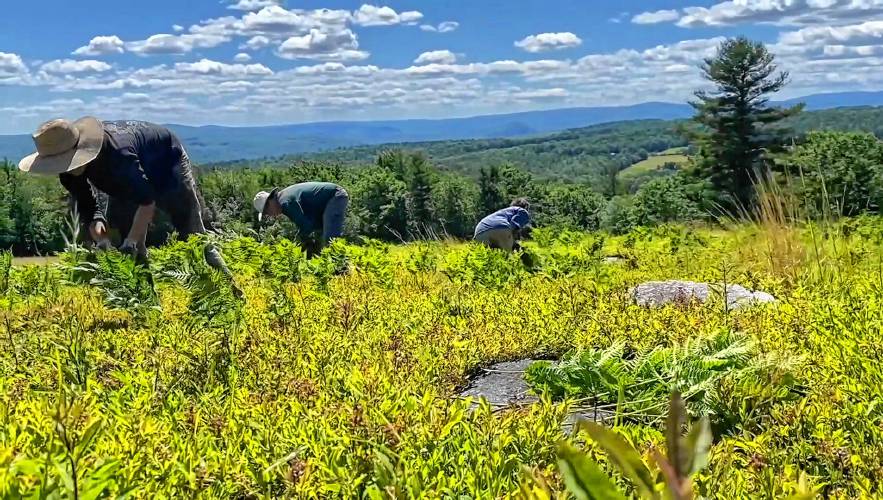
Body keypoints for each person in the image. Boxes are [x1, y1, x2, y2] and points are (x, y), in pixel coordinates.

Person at [18, 117, 234, 278]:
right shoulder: (68, 174)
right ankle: (143, 299)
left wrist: (132, 241)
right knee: (123, 233)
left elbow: (147, 201)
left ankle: (226, 287)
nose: (65, 168)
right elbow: (90, 206)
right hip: (126, 183)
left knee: (192, 232)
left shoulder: (118, 155)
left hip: (167, 162)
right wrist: (101, 237)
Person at [253, 182, 349, 254]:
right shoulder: (282, 201)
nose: (269, 216)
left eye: (267, 212)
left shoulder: (286, 203)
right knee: (320, 238)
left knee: (330, 239)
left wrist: (297, 242)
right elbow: (308, 225)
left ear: (270, 202)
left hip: (335, 196)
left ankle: (341, 269)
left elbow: (306, 226)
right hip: (325, 204)